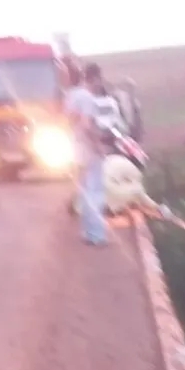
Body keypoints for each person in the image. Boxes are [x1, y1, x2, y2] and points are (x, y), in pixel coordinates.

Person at [65, 63, 108, 245]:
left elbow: (70, 121)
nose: (100, 84)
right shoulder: (88, 98)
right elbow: (87, 125)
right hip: (88, 150)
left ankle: (87, 232)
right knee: (96, 193)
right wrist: (98, 145)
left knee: (84, 192)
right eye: (99, 80)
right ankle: (97, 236)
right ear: (95, 78)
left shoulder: (71, 96)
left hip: (75, 148)